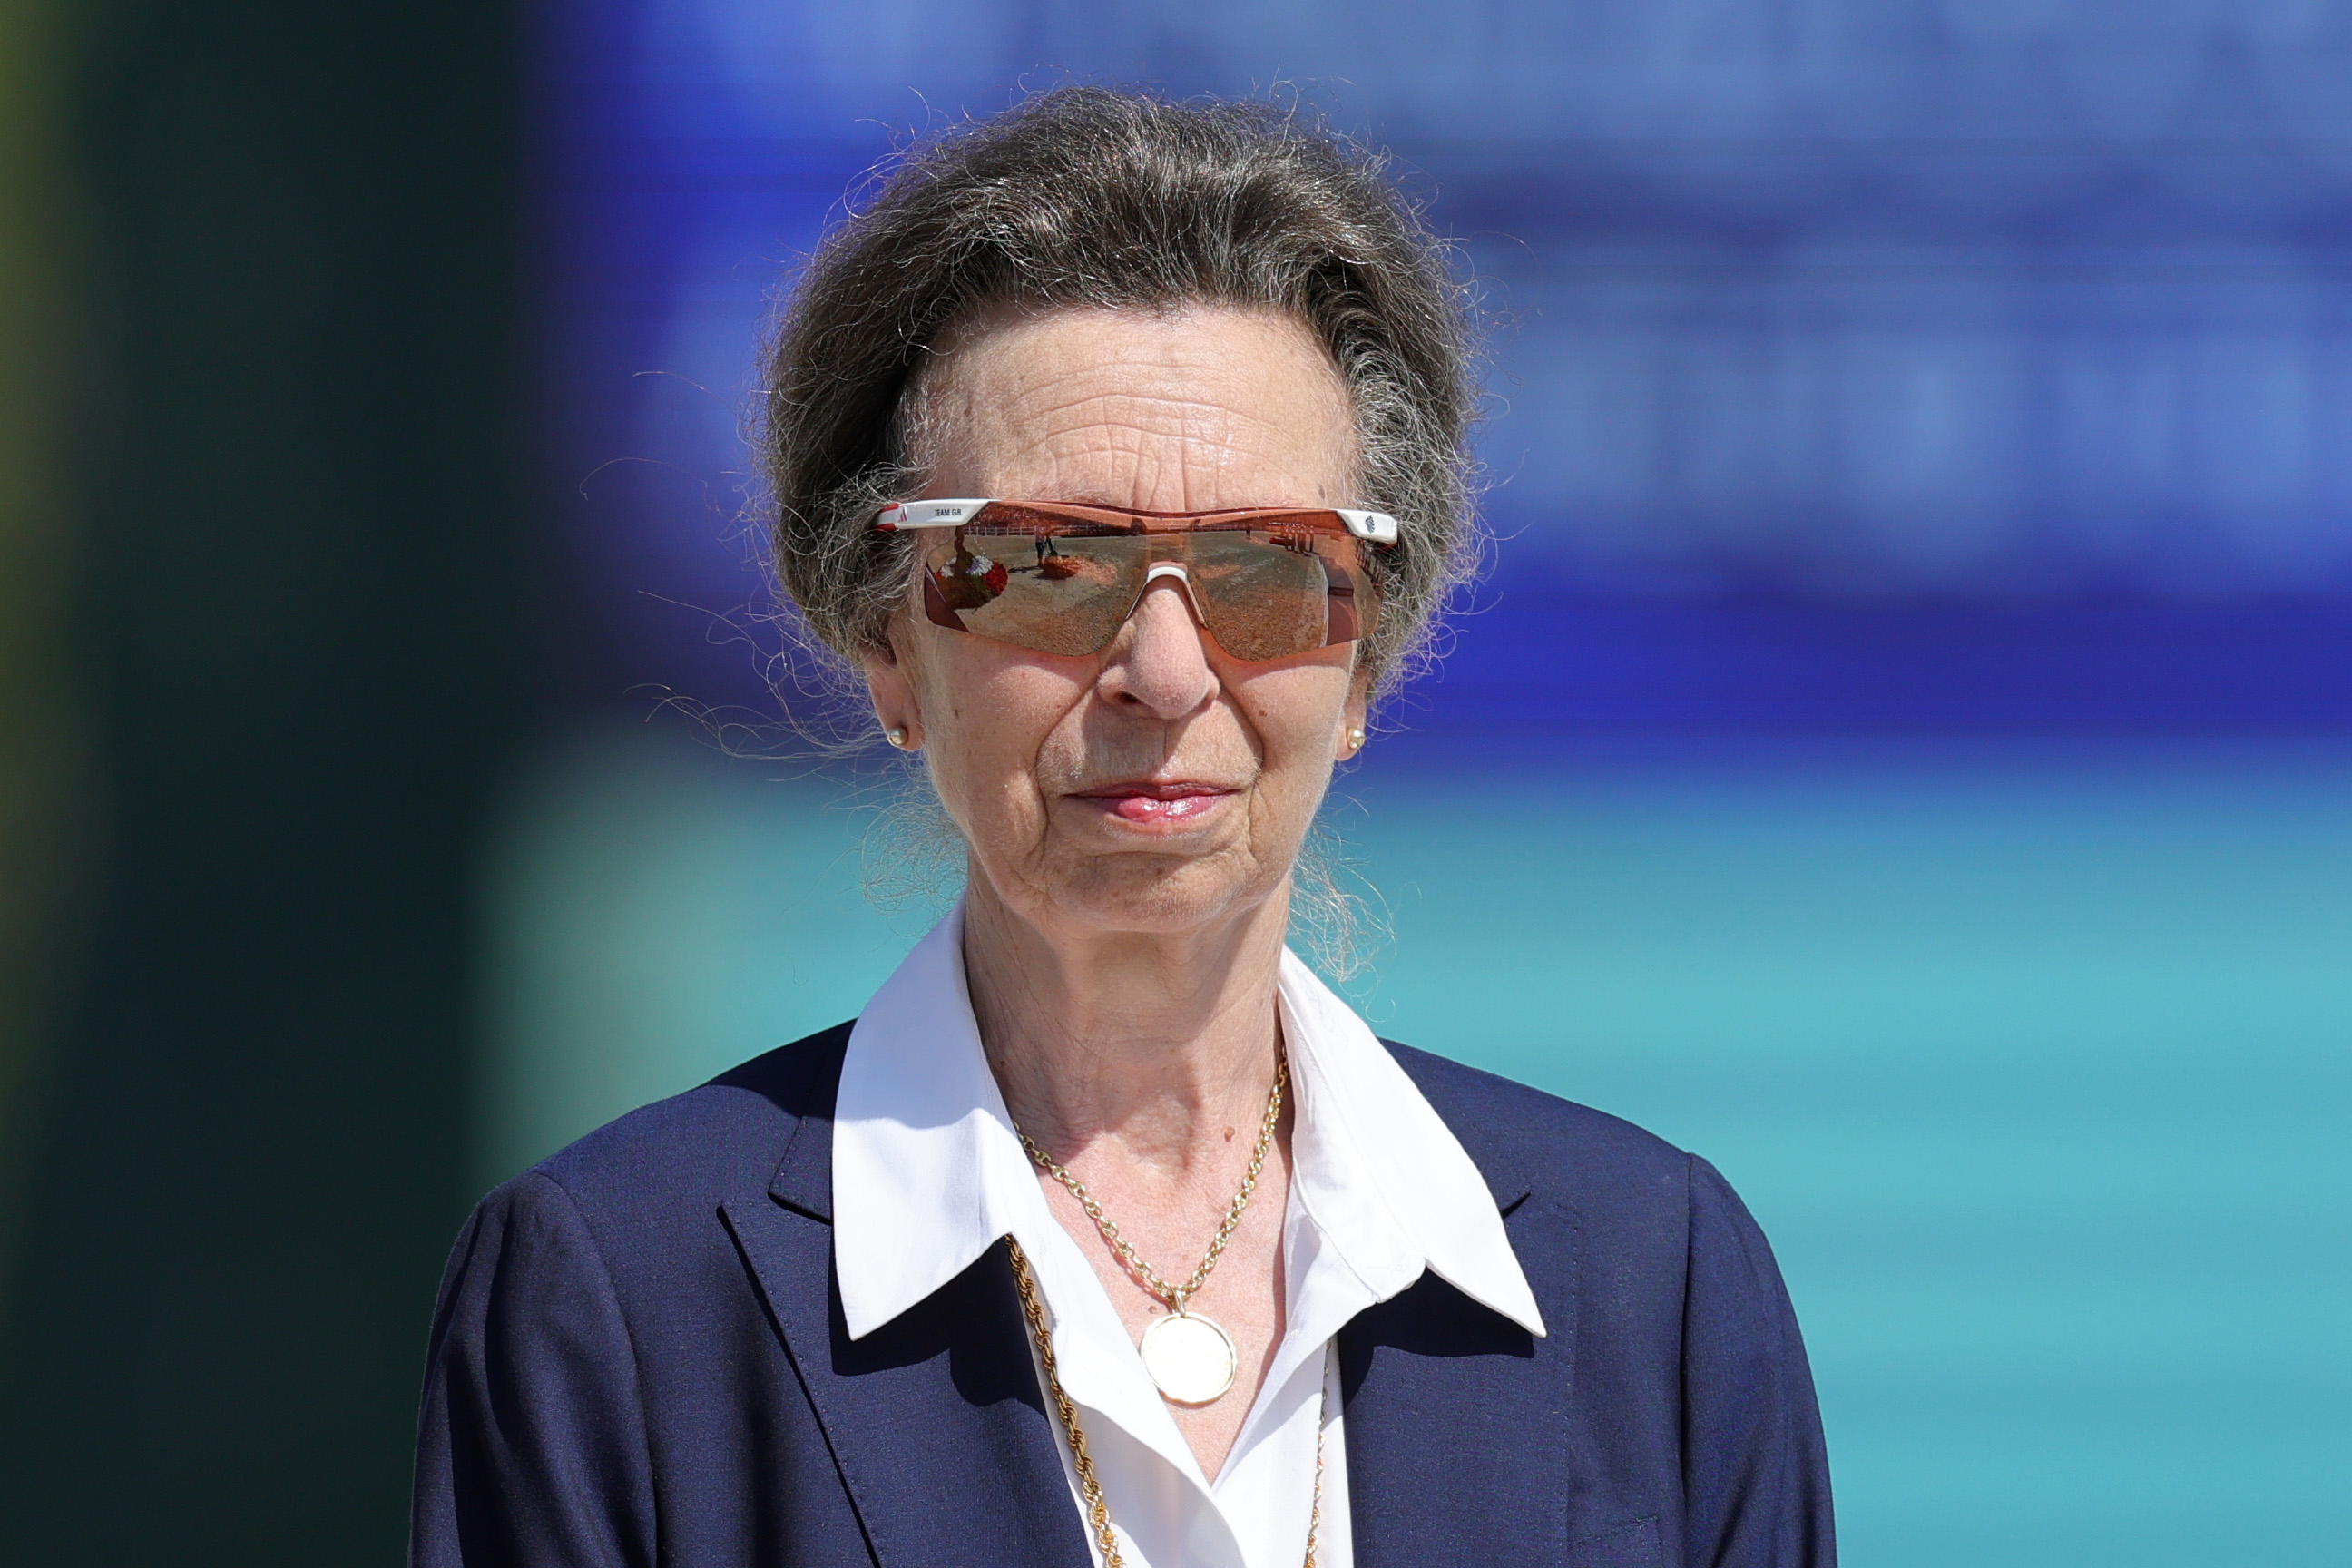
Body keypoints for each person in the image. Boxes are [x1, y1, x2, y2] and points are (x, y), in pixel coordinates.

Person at [411, 88, 1835, 1568]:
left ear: (1363, 660)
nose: (1165, 671)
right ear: (892, 647)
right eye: (1042, 566)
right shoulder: (621, 1294)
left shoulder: (1649, 1280)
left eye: (1276, 568)